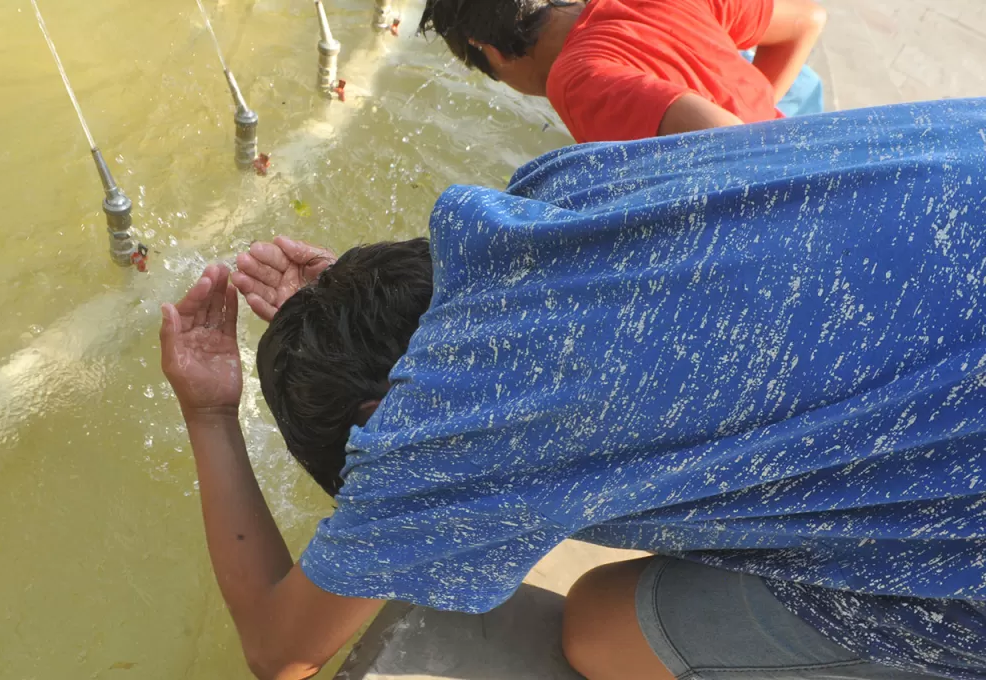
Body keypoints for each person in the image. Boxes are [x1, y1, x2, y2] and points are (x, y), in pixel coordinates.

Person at [160, 99, 986, 680]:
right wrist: (349, 302)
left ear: (383, 421)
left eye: (373, 461)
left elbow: (282, 652)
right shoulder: (557, 191)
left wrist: (208, 410)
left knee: (603, 625)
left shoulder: (454, 427)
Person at [418, 0, 828, 142]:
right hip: (799, 150)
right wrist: (758, 106)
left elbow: (727, 139)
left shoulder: (573, 80)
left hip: (782, 215)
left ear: (494, 54)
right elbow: (808, 20)